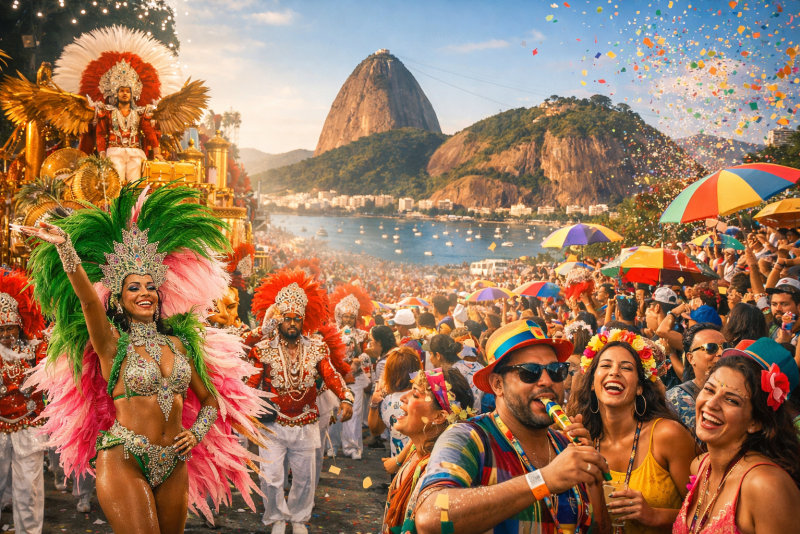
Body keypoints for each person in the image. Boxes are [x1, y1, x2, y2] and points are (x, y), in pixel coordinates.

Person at [23, 185, 268, 533]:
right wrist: (67, 250)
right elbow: (89, 302)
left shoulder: (180, 344)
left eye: (150, 286)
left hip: (174, 462)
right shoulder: (112, 344)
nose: (144, 293)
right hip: (125, 458)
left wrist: (196, 433)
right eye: (133, 287)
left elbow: (210, 400)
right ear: (120, 301)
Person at [411, 320, 612, 534]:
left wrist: (594, 484)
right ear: (498, 385)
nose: (546, 381)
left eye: (555, 370)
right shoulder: (467, 437)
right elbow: (430, 517)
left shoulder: (566, 446)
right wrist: (543, 480)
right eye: (529, 372)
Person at [247, 269, 355, 534]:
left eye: (298, 319)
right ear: (279, 320)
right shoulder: (262, 350)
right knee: (272, 479)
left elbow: (331, 376)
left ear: (304, 320)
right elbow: (250, 385)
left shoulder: (318, 348)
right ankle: (277, 517)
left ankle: (297, 518)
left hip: (306, 423)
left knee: (305, 478)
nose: (293, 323)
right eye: (287, 319)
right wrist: (246, 413)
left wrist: (346, 398)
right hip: (272, 425)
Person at [569, 329, 696, 533]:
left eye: (626, 368)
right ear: (592, 383)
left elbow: (704, 513)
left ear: (639, 387)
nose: (614, 372)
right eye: (606, 365)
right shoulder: (582, 441)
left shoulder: (667, 435)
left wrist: (654, 515)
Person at [673, 338, 800, 534]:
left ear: (755, 422)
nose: (711, 404)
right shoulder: (700, 465)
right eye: (709, 389)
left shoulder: (765, 485)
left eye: (731, 400)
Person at [381, 368, 474, 534]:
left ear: (438, 417)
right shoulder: (419, 449)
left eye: (415, 394)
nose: (403, 397)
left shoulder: (438, 475)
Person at [0, 271, 48, 533]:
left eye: (11, 327)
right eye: (1, 329)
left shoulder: (34, 349)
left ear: (20, 325)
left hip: (28, 428)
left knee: (28, 491)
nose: (7, 334)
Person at [328, 284, 375, 460]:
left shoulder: (362, 335)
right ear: (339, 316)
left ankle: (352, 446)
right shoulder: (331, 333)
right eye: (345, 316)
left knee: (354, 412)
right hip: (335, 377)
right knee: (334, 410)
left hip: (354, 378)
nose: (348, 319)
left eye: (351, 317)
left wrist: (358, 360)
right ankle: (332, 445)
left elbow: (368, 354)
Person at [666, 323, 729, 445]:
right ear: (691, 358)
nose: (721, 353)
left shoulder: (738, 393)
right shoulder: (674, 400)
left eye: (725, 347)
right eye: (711, 348)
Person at [367, 348, 422, 465]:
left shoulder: (387, 401)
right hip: (423, 462)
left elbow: (375, 430)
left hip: (399, 464)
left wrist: (373, 405)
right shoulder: (426, 396)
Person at [428, 334, 483, 413]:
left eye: (430, 354)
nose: (429, 358)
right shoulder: (476, 365)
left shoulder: (446, 377)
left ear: (438, 355)